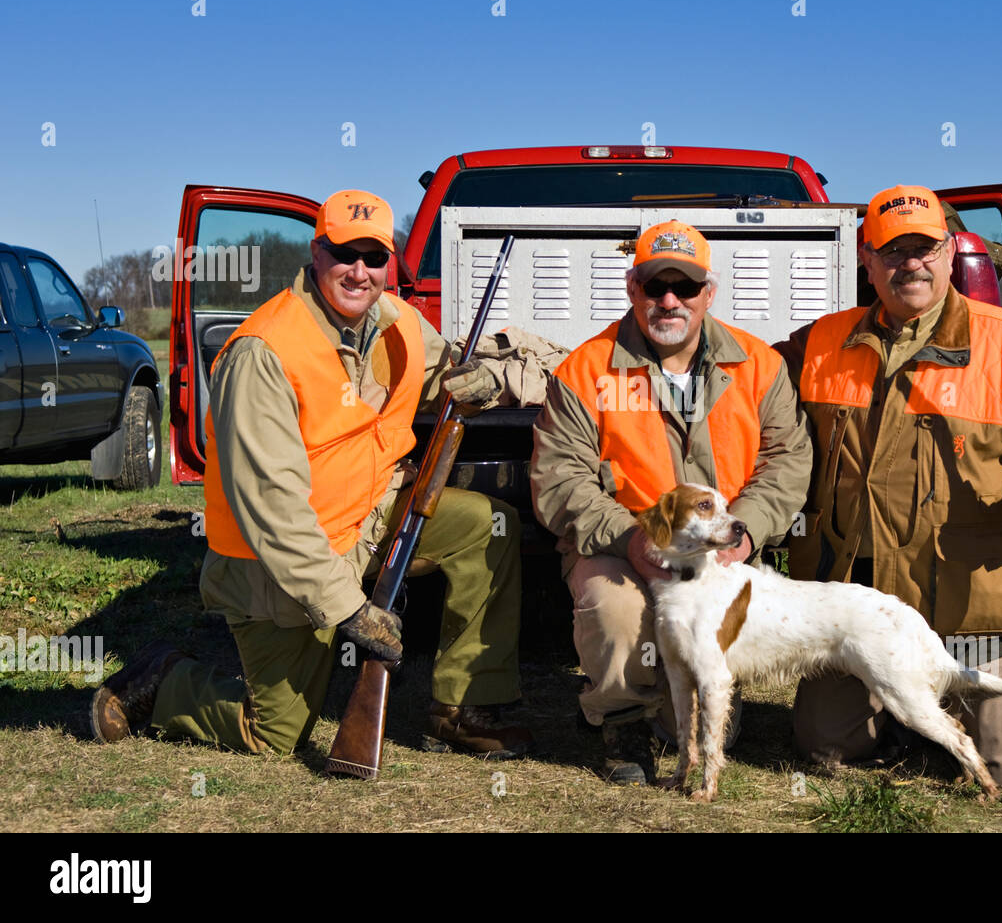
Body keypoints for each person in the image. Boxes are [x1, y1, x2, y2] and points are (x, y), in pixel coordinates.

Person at [91, 190, 533, 760]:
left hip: (371, 520)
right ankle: (164, 677)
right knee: (273, 734)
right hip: (282, 563)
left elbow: (448, 369)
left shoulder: (397, 322)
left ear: (391, 264)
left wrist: (486, 381)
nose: (359, 271)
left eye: (374, 257)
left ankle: (464, 708)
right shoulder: (263, 351)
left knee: (487, 525)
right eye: (344, 253)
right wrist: (351, 611)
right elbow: (275, 513)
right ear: (316, 253)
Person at [775, 185, 1002, 788]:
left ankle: (924, 708)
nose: (913, 263)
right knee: (826, 749)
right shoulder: (820, 344)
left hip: (971, 604)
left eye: (926, 248)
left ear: (951, 252)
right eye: (893, 250)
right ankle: (904, 712)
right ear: (866, 259)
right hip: (862, 597)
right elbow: (747, 385)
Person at [531, 220, 812, 784]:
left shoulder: (759, 366)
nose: (668, 301)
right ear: (632, 289)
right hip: (621, 549)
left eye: (684, 288)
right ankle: (620, 718)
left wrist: (748, 532)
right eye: (654, 285)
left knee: (709, 711)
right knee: (615, 609)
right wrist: (631, 539)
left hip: (719, 554)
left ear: (709, 294)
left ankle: (673, 709)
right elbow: (559, 479)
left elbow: (788, 460)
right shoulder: (586, 371)